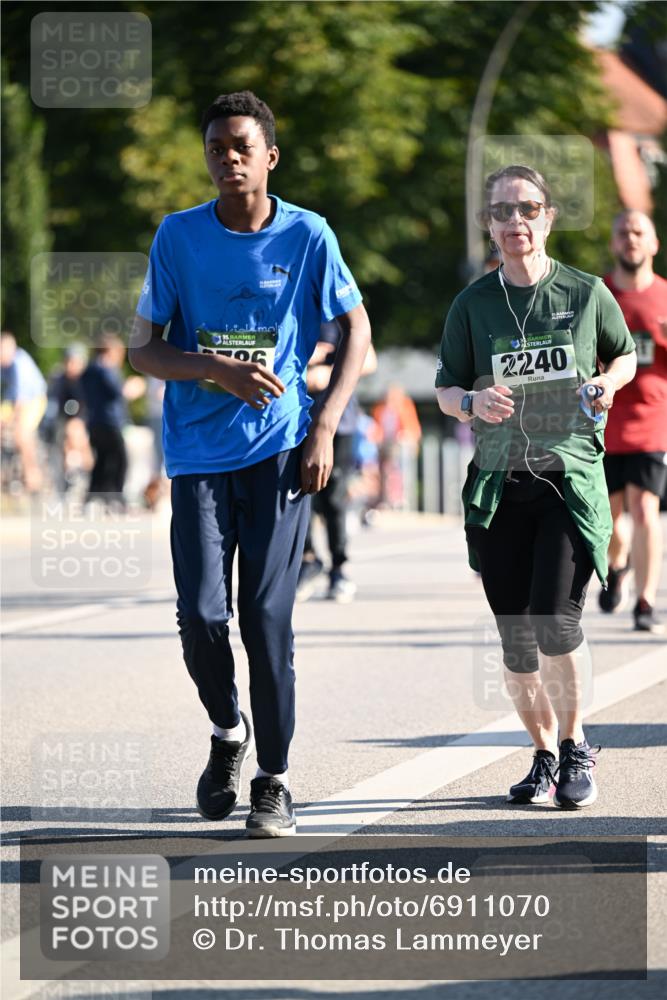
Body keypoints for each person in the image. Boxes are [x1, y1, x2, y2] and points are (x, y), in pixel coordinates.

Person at [129, 91, 371, 837]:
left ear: (269, 156)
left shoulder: (308, 236)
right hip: (198, 454)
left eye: (240, 146)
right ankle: (227, 730)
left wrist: (325, 424)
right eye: (215, 148)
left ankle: (274, 780)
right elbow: (143, 348)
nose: (226, 159)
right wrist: (212, 367)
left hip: (279, 453)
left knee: (267, 618)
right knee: (203, 615)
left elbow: (356, 328)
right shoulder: (178, 237)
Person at [435, 164, 636, 809]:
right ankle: (543, 754)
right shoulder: (473, 305)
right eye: (501, 212)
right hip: (499, 483)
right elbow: (445, 390)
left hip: (567, 479)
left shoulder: (585, 292)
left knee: (556, 621)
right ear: (489, 225)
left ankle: (577, 744)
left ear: (547, 216)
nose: (514, 222)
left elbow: (624, 352)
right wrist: (471, 400)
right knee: (516, 637)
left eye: (527, 209)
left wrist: (607, 382)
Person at [599, 211, 667, 633]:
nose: (631, 239)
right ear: (613, 243)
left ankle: (645, 602)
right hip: (603, 422)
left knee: (645, 509)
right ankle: (616, 564)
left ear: (654, 243)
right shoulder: (598, 295)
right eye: (623, 232)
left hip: (652, 422)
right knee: (608, 518)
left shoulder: (665, 296)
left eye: (639, 232)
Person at [296, 323, 377, 602]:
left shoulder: (337, 307)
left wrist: (327, 374)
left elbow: (368, 359)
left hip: (338, 421)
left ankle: (339, 568)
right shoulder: (285, 302)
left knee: (334, 497)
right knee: (297, 495)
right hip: (294, 421)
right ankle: (308, 560)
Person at [80, 333, 144, 509]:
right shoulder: (106, 367)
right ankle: (115, 497)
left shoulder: (88, 369)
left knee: (101, 460)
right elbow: (118, 392)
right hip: (111, 422)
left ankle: (93, 496)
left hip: (94, 422)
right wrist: (134, 387)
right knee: (120, 460)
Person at [0, 332, 48, 494]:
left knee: (22, 433)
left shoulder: (20, 363)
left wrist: (12, 420)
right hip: (15, 401)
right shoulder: (4, 365)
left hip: (34, 400)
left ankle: (32, 476)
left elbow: (21, 401)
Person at [371, 384, 422, 508]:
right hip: (385, 445)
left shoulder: (405, 406)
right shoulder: (380, 408)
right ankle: (384, 498)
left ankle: (400, 498)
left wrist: (404, 436)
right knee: (382, 471)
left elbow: (413, 429)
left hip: (400, 447)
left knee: (398, 470)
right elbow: (376, 429)